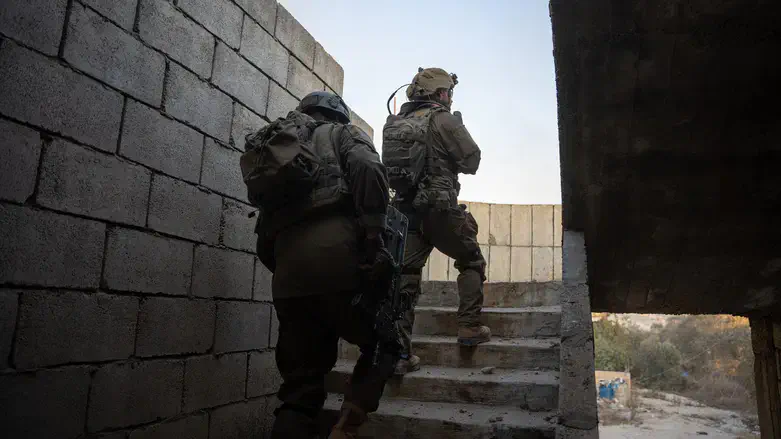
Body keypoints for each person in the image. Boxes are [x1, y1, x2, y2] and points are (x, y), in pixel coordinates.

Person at [251, 91, 396, 438]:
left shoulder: (281, 152)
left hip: (287, 279)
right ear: (339, 115)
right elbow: (369, 167)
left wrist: (289, 272)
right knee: (387, 340)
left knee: (299, 390)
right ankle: (349, 422)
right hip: (338, 263)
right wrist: (374, 236)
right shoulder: (342, 134)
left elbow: (264, 240)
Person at [382, 68, 491, 375]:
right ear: (442, 94)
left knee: (404, 276)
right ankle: (469, 327)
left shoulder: (398, 124)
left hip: (404, 212)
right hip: (439, 209)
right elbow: (472, 161)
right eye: (449, 93)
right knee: (470, 259)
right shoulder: (444, 120)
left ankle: (400, 354)